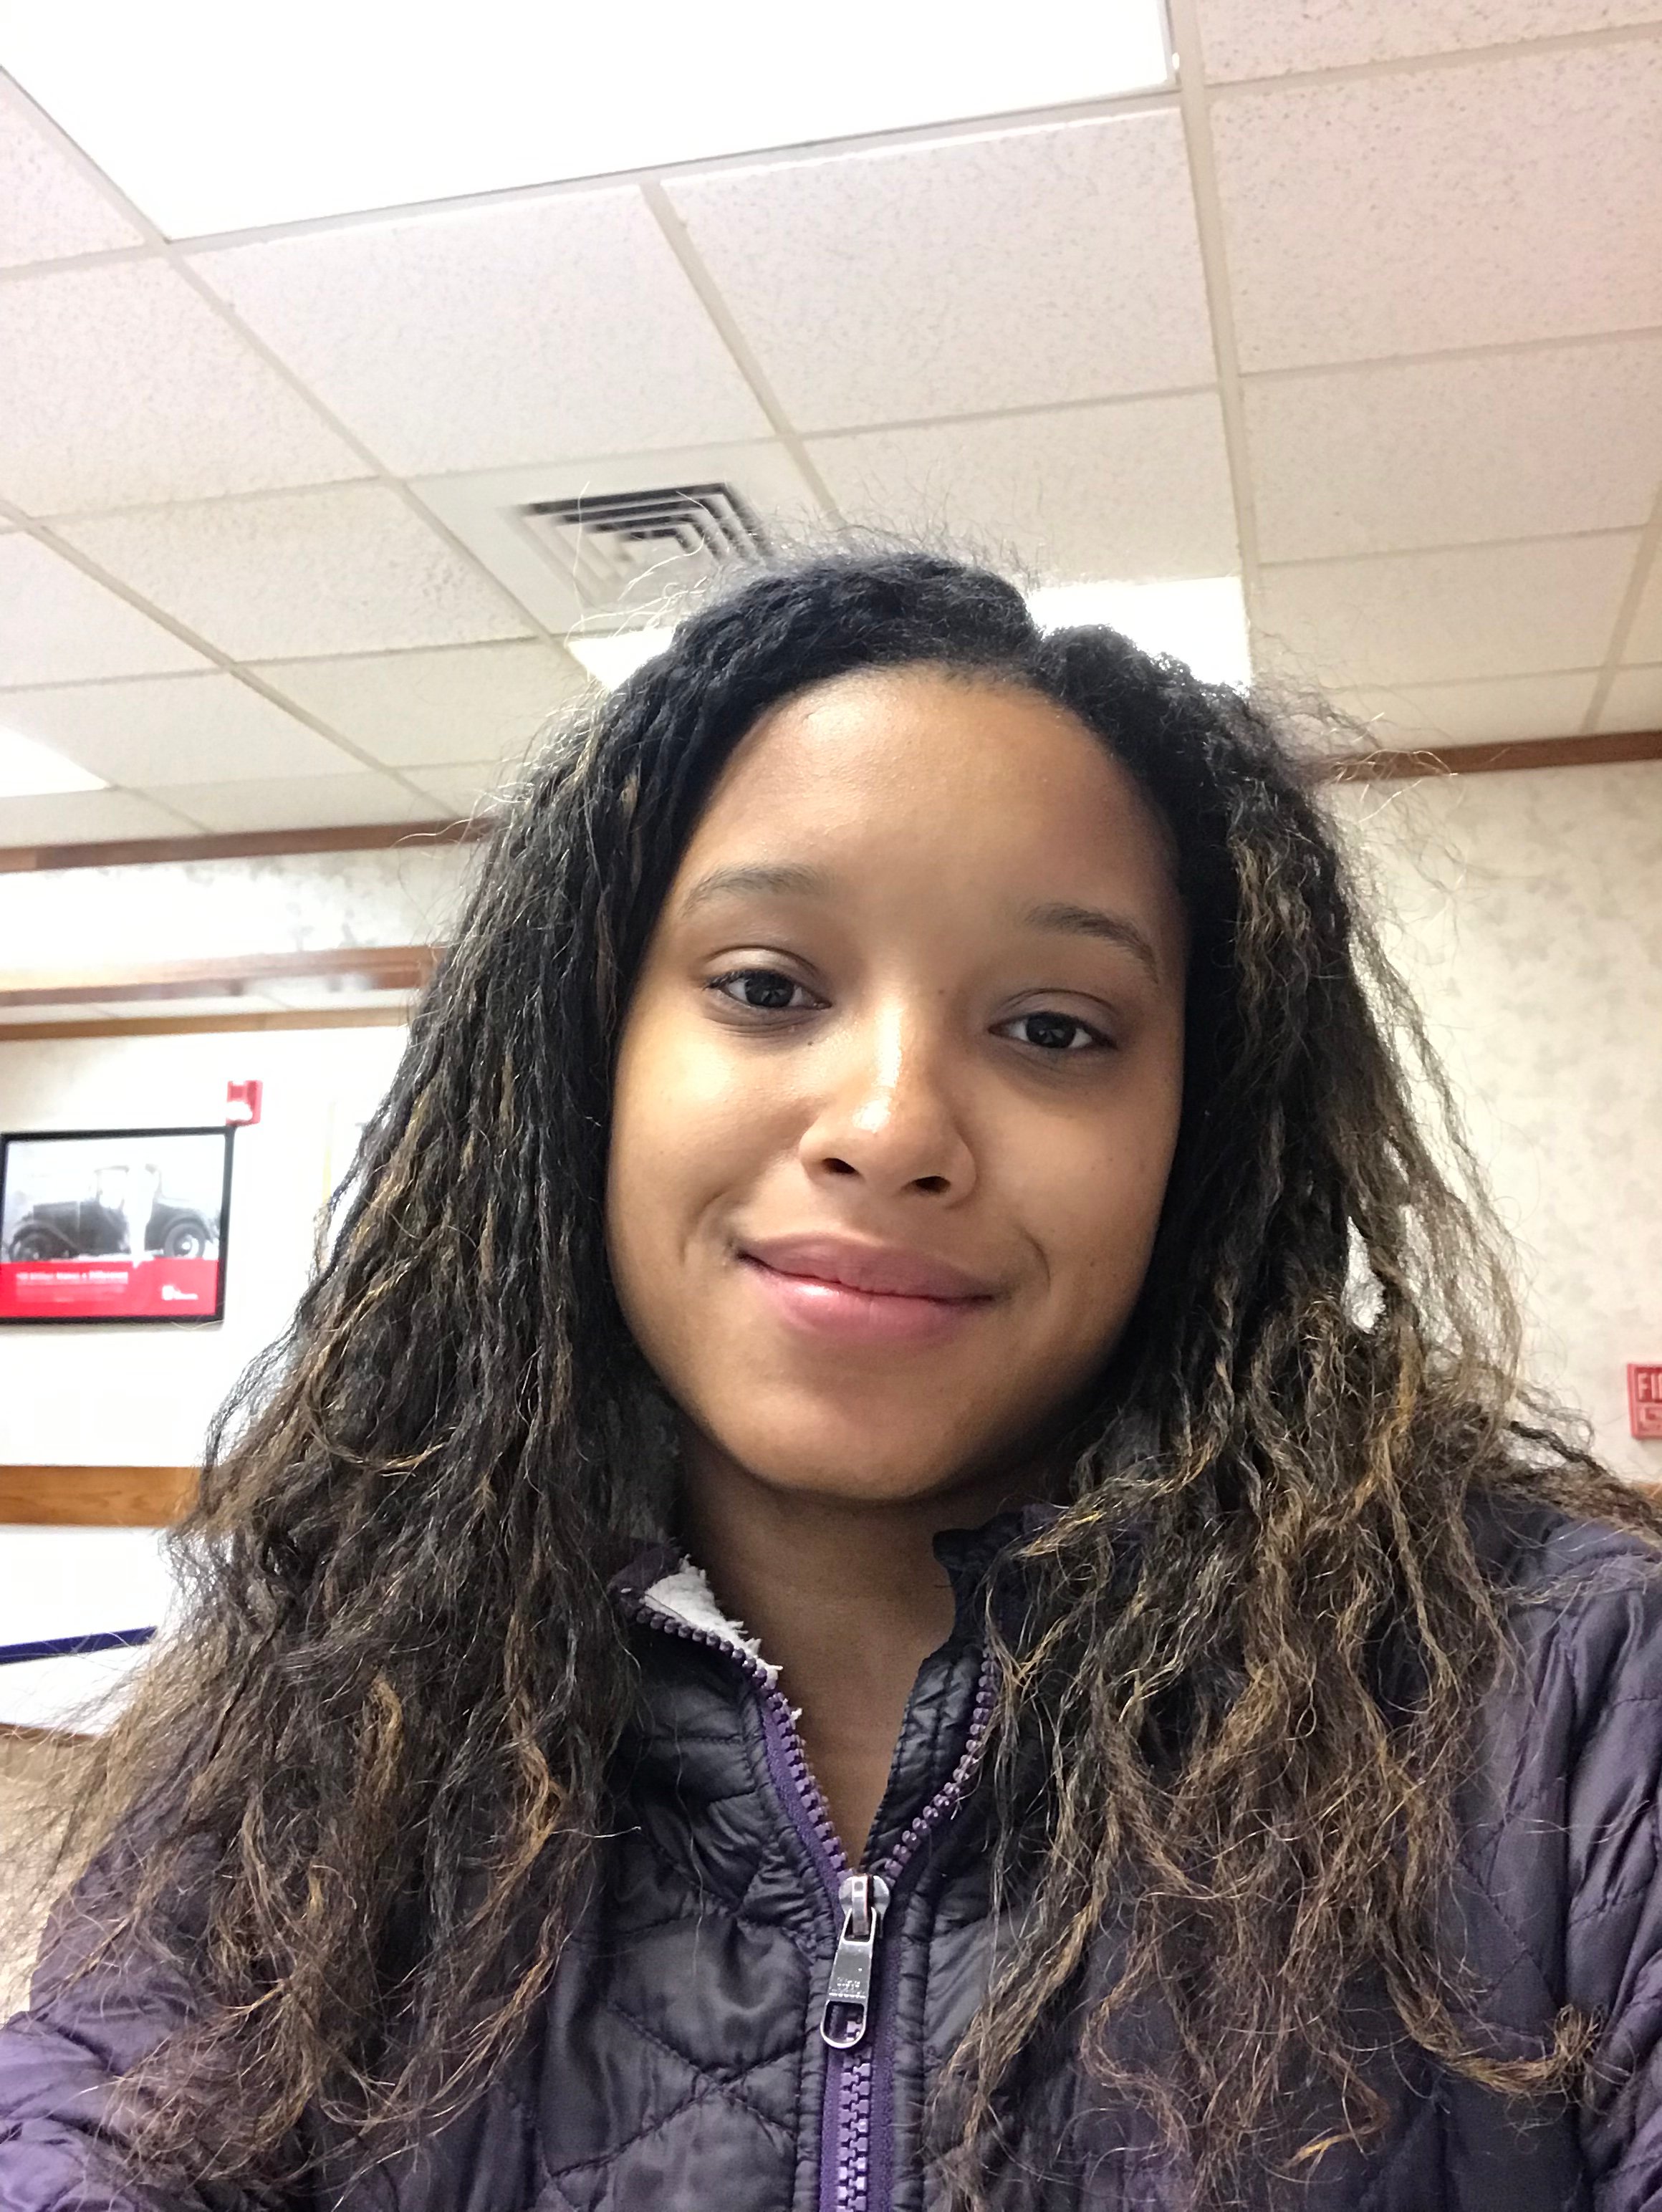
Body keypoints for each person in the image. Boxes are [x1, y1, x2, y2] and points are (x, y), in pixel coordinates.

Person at [4, 547, 1661, 2212]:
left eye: (1054, 1027)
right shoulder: (344, 1669)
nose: (888, 1127)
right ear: (587, 1055)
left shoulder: (1567, 1690)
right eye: (766, 986)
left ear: (1201, 1133)